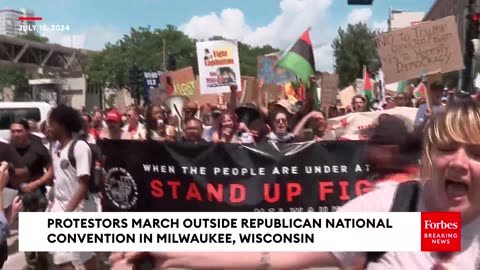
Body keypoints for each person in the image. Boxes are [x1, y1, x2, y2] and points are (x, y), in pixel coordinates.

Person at [110, 97, 480, 269]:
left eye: (476, 152)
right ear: (428, 156)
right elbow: (271, 248)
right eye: (448, 148)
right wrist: (166, 248)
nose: (461, 163)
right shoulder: (399, 211)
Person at [48, 105, 97, 270]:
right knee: (62, 257)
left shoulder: (80, 147)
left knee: (85, 257)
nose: (48, 128)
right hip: (59, 208)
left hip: (79, 208)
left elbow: (83, 185)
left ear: (62, 125)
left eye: (51, 124)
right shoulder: (56, 148)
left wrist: (67, 213)